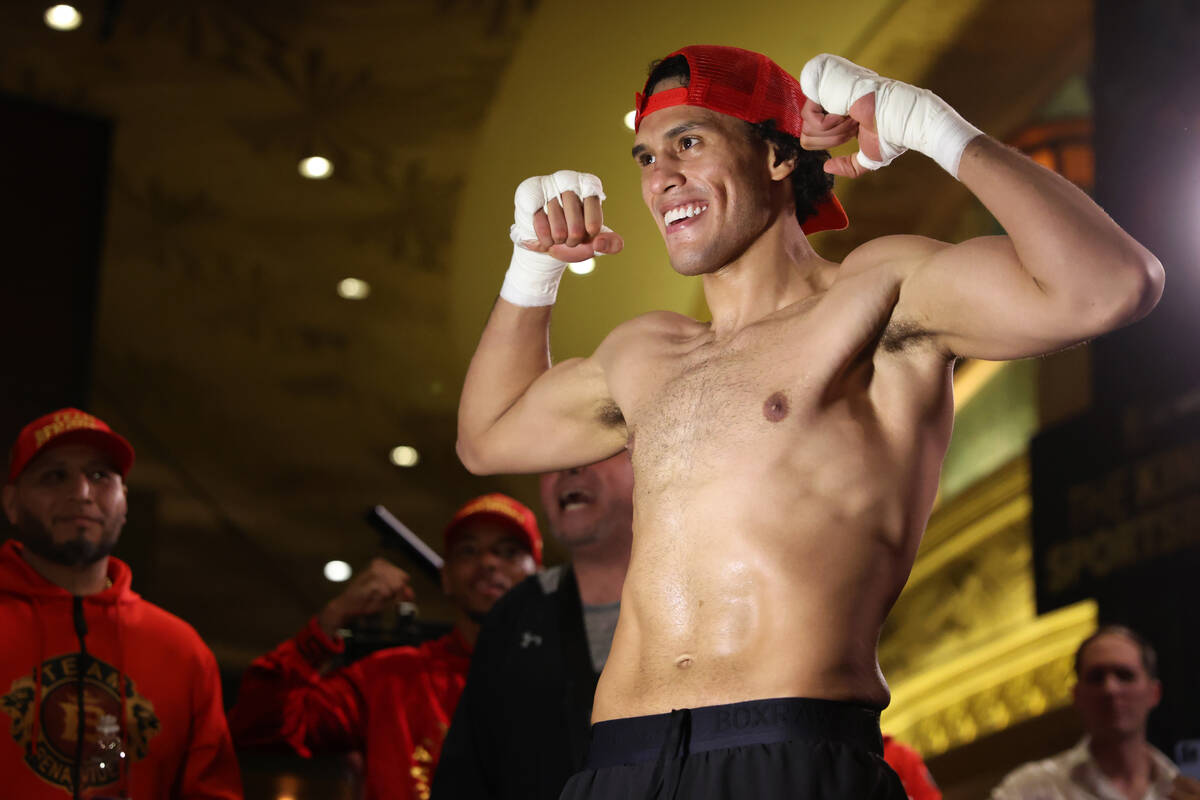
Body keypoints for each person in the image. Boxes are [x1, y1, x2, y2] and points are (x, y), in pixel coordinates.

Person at [455, 43, 1164, 798]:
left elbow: (1111, 286)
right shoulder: (646, 352)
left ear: (776, 155)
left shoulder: (877, 293)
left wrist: (934, 127)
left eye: (689, 142)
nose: (661, 177)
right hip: (617, 763)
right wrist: (531, 268)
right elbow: (488, 436)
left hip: (786, 752)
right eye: (647, 157)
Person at [227, 492, 541, 800]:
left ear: (540, 577)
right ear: (445, 577)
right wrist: (329, 621)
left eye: (509, 552)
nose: (487, 562)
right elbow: (257, 726)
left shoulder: (571, 680)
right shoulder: (389, 678)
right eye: (468, 550)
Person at [0, 407, 243, 799]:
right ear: (11, 503)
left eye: (100, 476)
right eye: (54, 476)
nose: (81, 494)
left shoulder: (181, 651)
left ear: (124, 501)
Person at [433, 451, 635, 800]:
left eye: (599, 449)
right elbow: (466, 776)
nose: (570, 465)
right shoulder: (513, 617)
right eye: (553, 455)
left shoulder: (714, 603)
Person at [991, 626, 1200, 800]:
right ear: (1077, 695)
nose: (1110, 689)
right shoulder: (1028, 789)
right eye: (1096, 677)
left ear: (1154, 693)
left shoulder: (1184, 788)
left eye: (1124, 675)